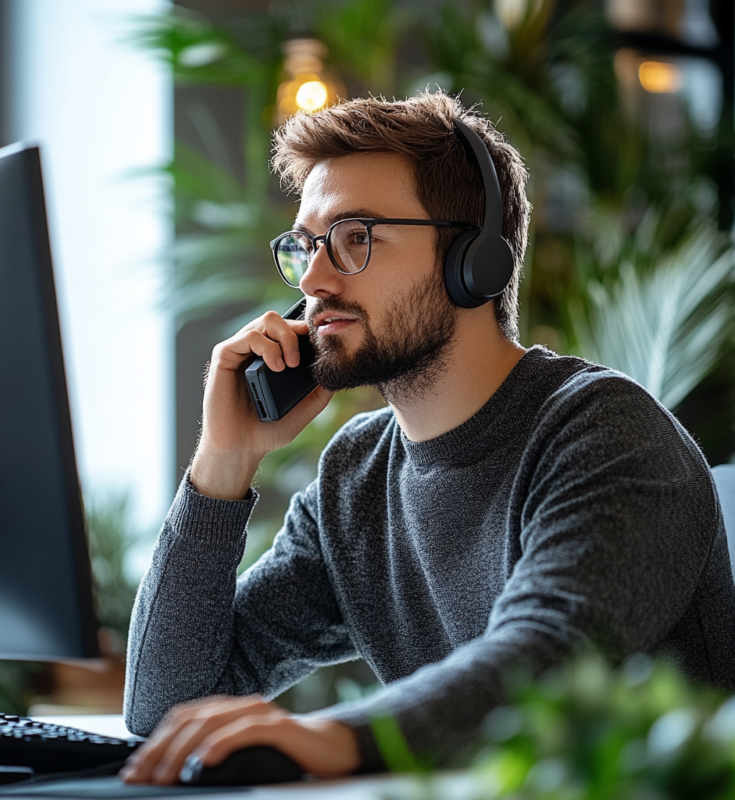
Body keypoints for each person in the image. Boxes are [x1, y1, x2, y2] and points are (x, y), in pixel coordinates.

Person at [120, 91, 735, 785]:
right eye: (306, 246)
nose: (315, 280)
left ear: (471, 260)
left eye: (356, 237)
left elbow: (545, 659)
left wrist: (336, 736)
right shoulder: (355, 478)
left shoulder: (603, 432)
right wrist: (221, 465)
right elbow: (164, 711)